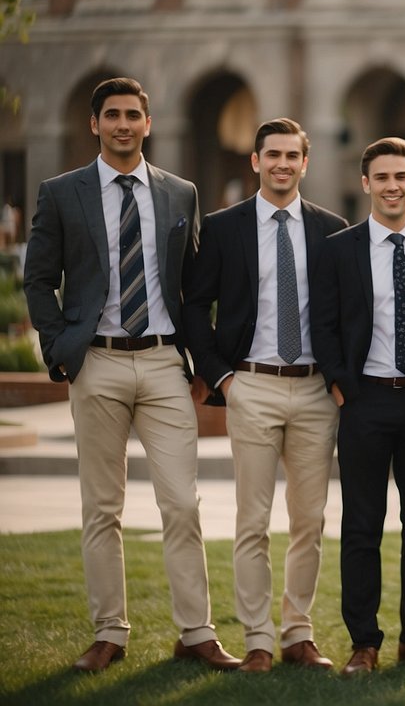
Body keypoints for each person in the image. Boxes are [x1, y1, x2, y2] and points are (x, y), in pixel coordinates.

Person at [24, 77, 239, 672]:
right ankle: (109, 633)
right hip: (97, 362)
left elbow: (195, 288)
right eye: (112, 115)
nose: (123, 124)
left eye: (133, 115)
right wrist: (60, 348)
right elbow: (38, 279)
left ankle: (196, 632)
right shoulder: (62, 193)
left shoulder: (180, 193)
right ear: (95, 124)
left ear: (149, 123)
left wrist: (201, 364)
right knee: (102, 507)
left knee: (182, 504)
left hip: (166, 363)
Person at [183, 117, 346, 672]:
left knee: (310, 520)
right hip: (250, 384)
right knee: (252, 520)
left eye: (291, 156)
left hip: (315, 392)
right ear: (256, 162)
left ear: (306, 162)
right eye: (271, 155)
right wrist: (222, 377)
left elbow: (347, 312)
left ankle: (298, 634)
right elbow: (193, 305)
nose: (281, 164)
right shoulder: (225, 228)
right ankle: (256, 638)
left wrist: (341, 379)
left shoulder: (332, 229)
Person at [311, 138, 405, 675]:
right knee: (362, 526)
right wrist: (341, 386)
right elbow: (323, 325)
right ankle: (364, 643)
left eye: (402, 176)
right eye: (382, 176)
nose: (393, 185)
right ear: (365, 183)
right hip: (365, 401)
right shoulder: (339, 249)